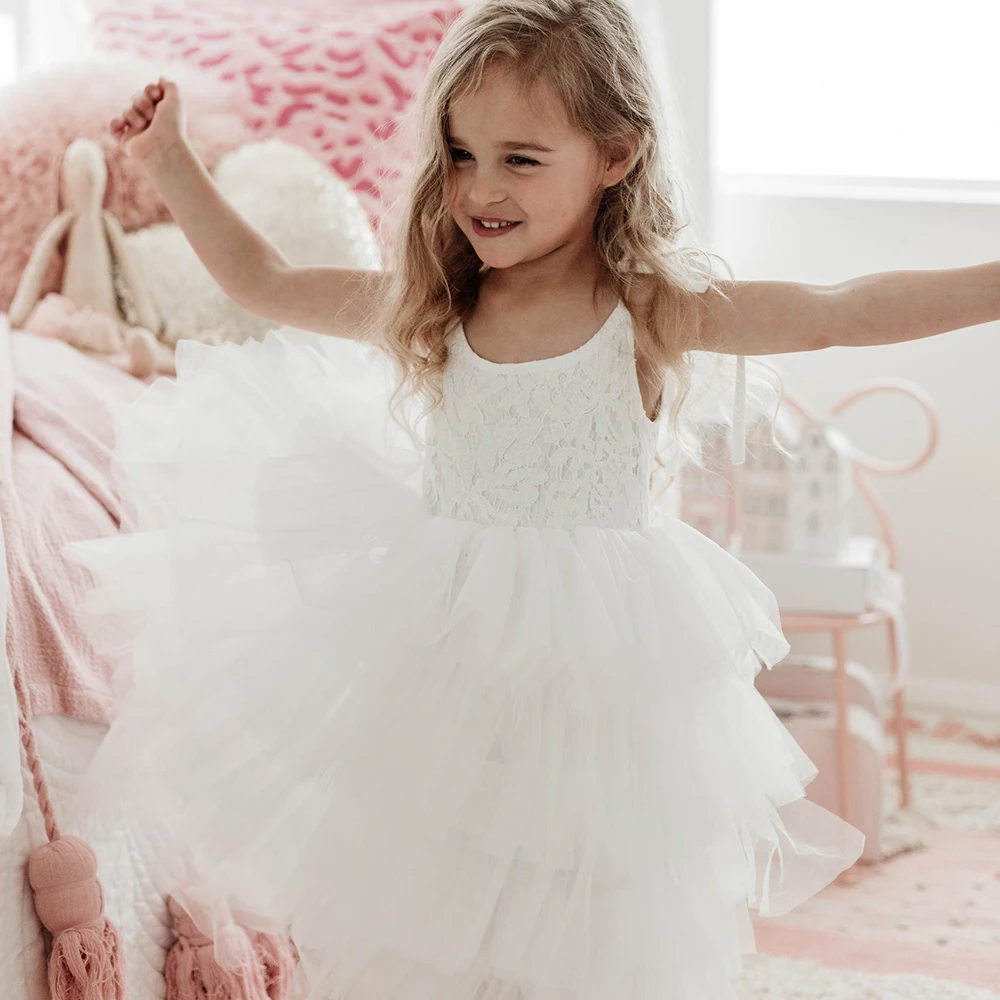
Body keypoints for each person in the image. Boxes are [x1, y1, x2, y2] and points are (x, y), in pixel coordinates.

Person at [67, 0, 995, 996]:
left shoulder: (646, 309)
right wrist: (170, 160)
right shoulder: (439, 304)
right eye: (461, 154)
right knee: (443, 866)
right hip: (446, 636)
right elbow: (268, 281)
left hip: (597, 655)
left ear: (614, 155)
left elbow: (837, 313)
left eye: (520, 158)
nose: (480, 188)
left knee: (583, 881)